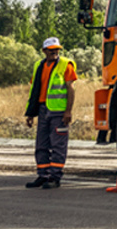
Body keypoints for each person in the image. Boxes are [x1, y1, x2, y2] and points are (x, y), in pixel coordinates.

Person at [24, 37, 78, 189]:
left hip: (59, 112)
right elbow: (34, 91)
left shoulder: (65, 65)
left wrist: (68, 111)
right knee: (41, 145)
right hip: (42, 110)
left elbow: (71, 89)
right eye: (51, 49)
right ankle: (43, 175)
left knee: (58, 145)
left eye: (57, 49)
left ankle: (54, 177)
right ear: (44, 51)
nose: (54, 52)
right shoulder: (38, 66)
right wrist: (30, 113)